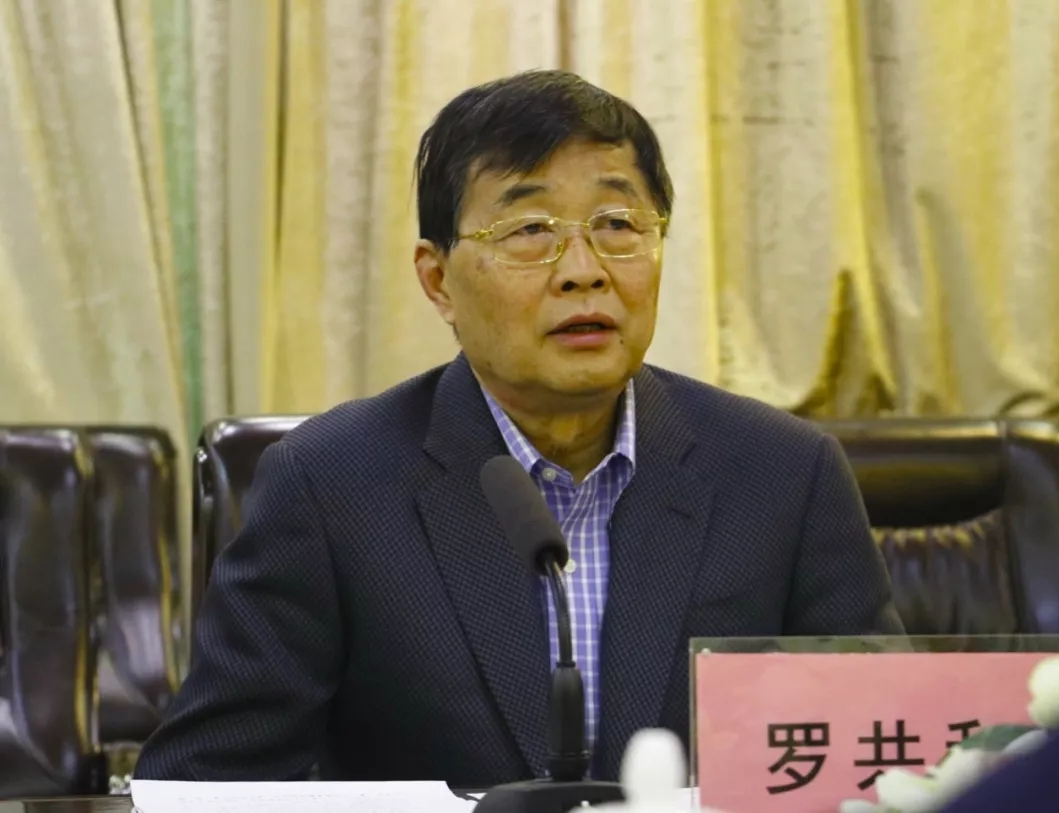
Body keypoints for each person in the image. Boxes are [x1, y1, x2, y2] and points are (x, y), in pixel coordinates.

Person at [134, 69, 904, 787]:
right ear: (438, 279)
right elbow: (202, 785)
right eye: (530, 229)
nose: (583, 269)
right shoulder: (330, 486)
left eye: (617, 223)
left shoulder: (783, 475)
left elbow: (885, 760)